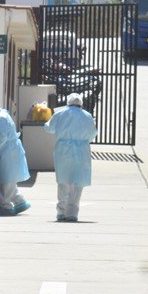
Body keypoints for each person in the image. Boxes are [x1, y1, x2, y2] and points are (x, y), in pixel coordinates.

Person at [45, 93, 97, 222]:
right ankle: (72, 212)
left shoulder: (60, 113)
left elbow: (49, 128)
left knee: (63, 181)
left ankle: (61, 211)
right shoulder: (87, 115)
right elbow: (92, 134)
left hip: (63, 150)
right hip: (81, 151)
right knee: (78, 182)